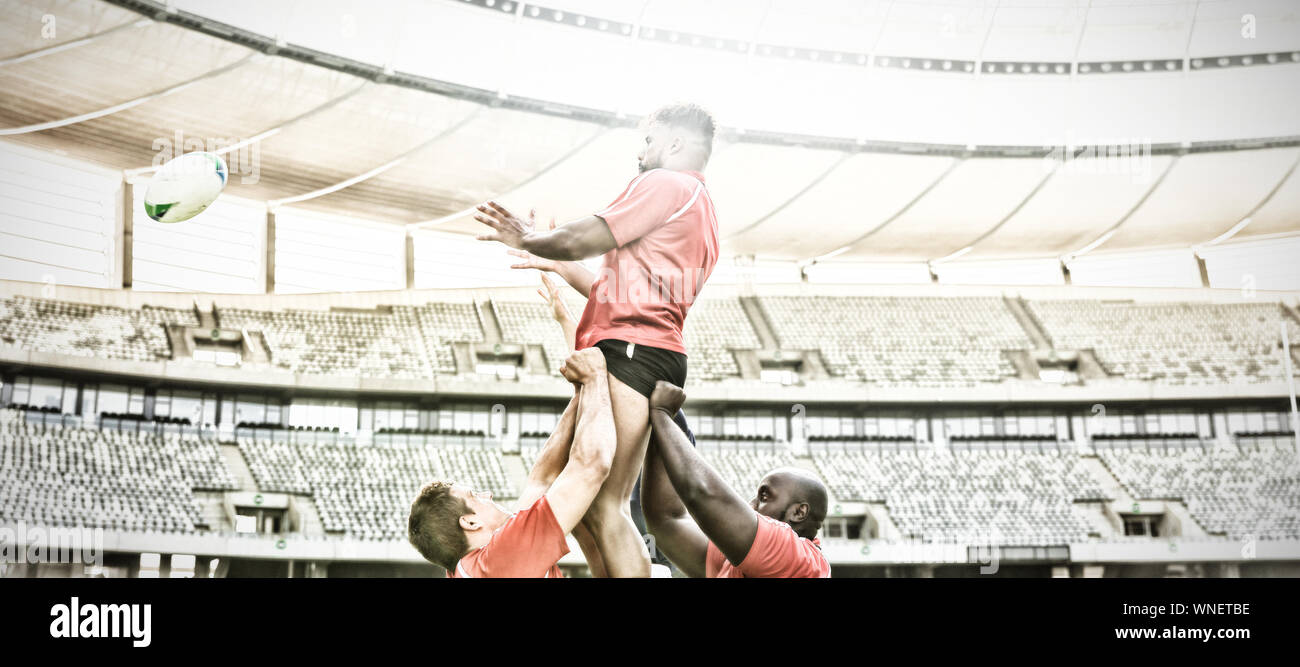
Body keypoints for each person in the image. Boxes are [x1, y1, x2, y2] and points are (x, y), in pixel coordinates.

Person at [475, 103, 720, 577]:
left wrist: (529, 238)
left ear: (673, 144)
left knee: (608, 504)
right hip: (647, 350)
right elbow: (626, 295)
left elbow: (579, 237)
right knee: (591, 508)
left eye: (649, 141)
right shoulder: (702, 209)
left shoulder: (666, 183)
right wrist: (562, 266)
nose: (642, 152)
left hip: (631, 353)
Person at [407, 348, 615, 577]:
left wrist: (580, 395)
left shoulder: (472, 567)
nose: (487, 494)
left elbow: (540, 481)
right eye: (474, 495)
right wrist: (596, 377)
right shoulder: (505, 557)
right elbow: (592, 465)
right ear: (470, 522)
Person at [640, 380, 832, 578]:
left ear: (799, 512)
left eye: (764, 497)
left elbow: (701, 492)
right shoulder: (735, 559)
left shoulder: (798, 559)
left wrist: (662, 413)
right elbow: (667, 519)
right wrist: (672, 421)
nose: (751, 504)